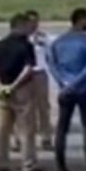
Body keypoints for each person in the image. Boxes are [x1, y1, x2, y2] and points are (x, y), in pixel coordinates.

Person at [0, 13, 41, 171]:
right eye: (26, 26)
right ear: (20, 26)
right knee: (26, 127)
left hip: (2, 89)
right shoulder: (26, 46)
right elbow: (28, 68)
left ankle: (1, 162)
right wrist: (15, 85)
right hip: (21, 89)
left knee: (2, 127)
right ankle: (28, 162)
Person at [50, 7, 86, 171]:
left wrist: (63, 82)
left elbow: (53, 65)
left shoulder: (58, 42)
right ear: (82, 20)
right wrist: (75, 83)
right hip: (84, 88)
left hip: (65, 88)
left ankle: (60, 163)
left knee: (62, 126)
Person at [24, 10, 53, 152]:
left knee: (43, 107)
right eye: (31, 21)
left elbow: (50, 55)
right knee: (25, 108)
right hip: (24, 75)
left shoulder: (44, 37)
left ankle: (45, 137)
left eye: (36, 21)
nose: (34, 24)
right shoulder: (21, 38)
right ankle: (22, 138)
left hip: (40, 73)